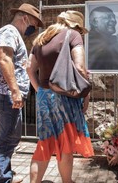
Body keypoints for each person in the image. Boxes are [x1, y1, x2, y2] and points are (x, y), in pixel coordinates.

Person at [26, 10, 94, 183]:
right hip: (65, 96)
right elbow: (79, 68)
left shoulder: (40, 39)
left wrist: (40, 90)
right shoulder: (73, 35)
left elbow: (29, 68)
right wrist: (85, 95)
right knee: (66, 142)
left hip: (44, 96)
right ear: (76, 25)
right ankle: (66, 181)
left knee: (44, 141)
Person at [0, 3, 43, 183]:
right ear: (25, 18)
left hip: (7, 95)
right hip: (7, 95)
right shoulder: (9, 32)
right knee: (9, 138)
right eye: (34, 26)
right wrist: (14, 91)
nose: (33, 30)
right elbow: (5, 59)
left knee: (6, 136)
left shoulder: (13, 34)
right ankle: (2, 179)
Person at [88, 6, 118, 71]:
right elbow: (98, 61)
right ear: (95, 22)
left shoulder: (114, 39)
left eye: (114, 17)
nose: (114, 20)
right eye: (108, 17)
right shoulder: (90, 39)